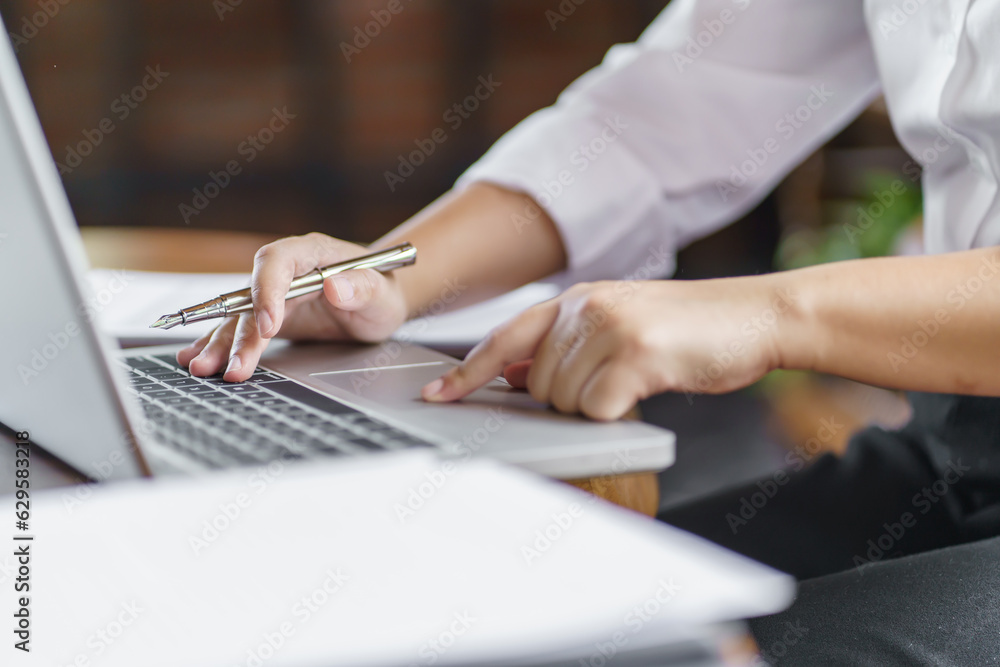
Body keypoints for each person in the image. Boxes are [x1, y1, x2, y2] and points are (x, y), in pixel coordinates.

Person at [178, 1, 1000, 662]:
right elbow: (668, 112)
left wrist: (769, 311)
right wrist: (389, 279)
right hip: (957, 448)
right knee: (529, 625)